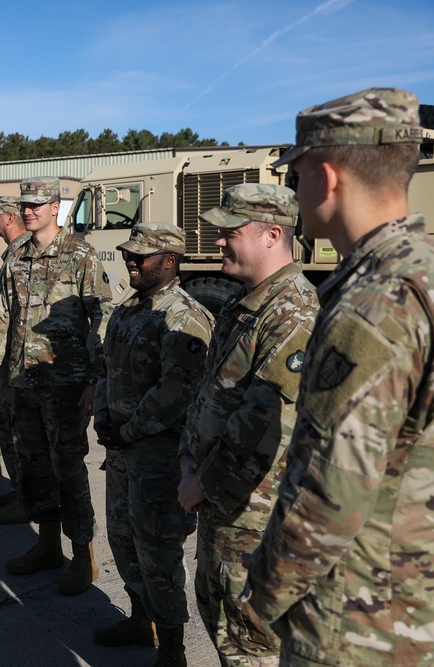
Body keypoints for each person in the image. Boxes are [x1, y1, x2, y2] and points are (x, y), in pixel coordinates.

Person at [241, 88, 434, 666]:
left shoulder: (373, 302)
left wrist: (260, 598)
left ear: (327, 177)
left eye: (297, 174)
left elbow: (333, 491)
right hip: (421, 600)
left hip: (359, 623)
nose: (292, 191)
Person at [176, 184, 319, 666]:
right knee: (223, 623)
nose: (218, 242)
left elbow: (262, 426)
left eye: (229, 232)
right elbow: (209, 395)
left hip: (252, 509)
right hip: (223, 502)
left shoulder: (292, 312)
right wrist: (187, 459)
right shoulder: (245, 305)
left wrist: (201, 482)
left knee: (251, 642)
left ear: (272, 234)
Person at [0, 177, 114, 595]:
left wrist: (95, 379)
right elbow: (1, 315)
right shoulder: (16, 253)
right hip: (21, 382)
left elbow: (101, 318)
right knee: (33, 466)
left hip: (65, 385)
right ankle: (48, 545)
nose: (28, 210)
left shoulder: (80, 255)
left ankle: (83, 553)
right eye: (24, 204)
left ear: (57, 207)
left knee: (68, 469)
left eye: (37, 204)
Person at [92, 222, 213, 665]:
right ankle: (140, 621)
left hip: (159, 456)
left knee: (158, 551)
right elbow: (106, 371)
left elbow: (175, 392)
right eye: (129, 253)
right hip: (122, 451)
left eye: (141, 255)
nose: (131, 260)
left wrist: (126, 431)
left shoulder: (184, 316)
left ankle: (173, 649)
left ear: (169, 260)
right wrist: (105, 421)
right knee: (123, 540)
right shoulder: (127, 311)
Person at [0, 197, 31, 525]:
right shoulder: (12, 254)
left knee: (16, 431)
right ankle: (20, 490)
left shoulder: (22, 255)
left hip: (19, 366)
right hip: (7, 364)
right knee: (5, 426)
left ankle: (26, 497)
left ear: (9, 218)